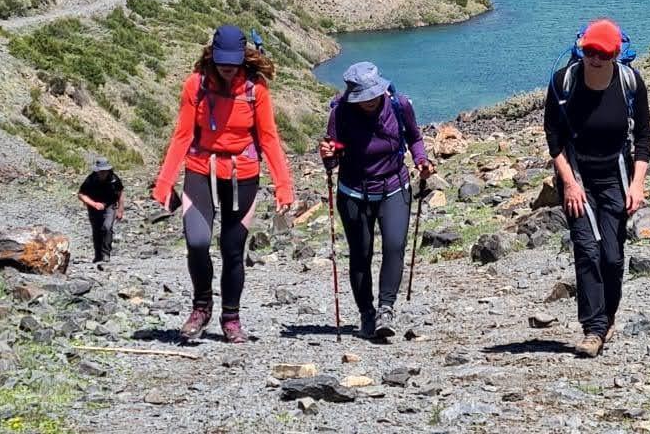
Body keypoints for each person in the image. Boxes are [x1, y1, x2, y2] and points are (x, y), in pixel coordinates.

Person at [153, 25, 295, 344]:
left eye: (233, 61)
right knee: (198, 241)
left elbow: (269, 138)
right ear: (213, 56)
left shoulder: (255, 89)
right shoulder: (196, 85)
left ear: (242, 57)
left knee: (233, 250)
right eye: (222, 61)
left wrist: (283, 186)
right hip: (201, 168)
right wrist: (165, 181)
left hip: (241, 173)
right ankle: (201, 307)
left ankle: (231, 318)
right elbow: (182, 135)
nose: (228, 68)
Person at [544, 18, 650, 357]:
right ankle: (592, 329)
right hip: (577, 174)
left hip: (615, 174)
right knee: (587, 250)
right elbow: (554, 138)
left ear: (615, 55)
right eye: (589, 52)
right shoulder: (564, 82)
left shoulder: (630, 83)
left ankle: (607, 318)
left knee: (612, 256)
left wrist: (637, 184)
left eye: (601, 54)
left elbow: (644, 138)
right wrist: (569, 183)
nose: (594, 59)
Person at [318, 60, 433, 341]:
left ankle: (385, 309)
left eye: (373, 95)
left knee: (394, 246)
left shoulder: (399, 105)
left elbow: (414, 137)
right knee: (361, 253)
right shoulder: (341, 113)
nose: (369, 101)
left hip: (394, 185)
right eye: (363, 97)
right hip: (354, 191)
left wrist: (422, 160)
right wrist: (327, 156)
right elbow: (333, 158)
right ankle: (366, 313)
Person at [77, 156, 124, 264]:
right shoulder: (91, 179)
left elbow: (121, 193)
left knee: (107, 227)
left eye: (105, 171)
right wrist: (94, 204)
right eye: (101, 171)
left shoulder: (114, 179)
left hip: (109, 205)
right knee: (97, 230)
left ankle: (106, 254)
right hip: (94, 207)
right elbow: (81, 194)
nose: (103, 173)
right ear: (97, 171)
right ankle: (98, 256)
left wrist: (120, 209)